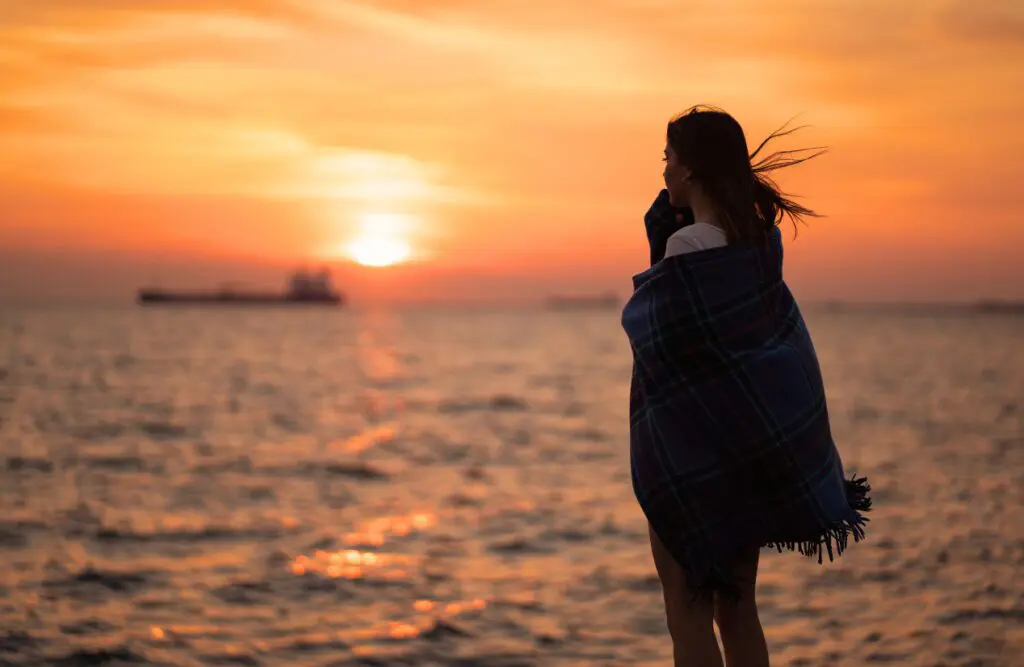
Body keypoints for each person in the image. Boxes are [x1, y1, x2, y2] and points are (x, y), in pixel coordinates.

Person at [621, 106, 872, 667]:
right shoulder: (754, 247)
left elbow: (658, 346)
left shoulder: (687, 252)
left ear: (689, 171)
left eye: (667, 159)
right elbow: (754, 358)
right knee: (739, 612)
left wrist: (664, 242)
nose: (662, 172)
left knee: (685, 614)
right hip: (742, 464)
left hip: (695, 467)